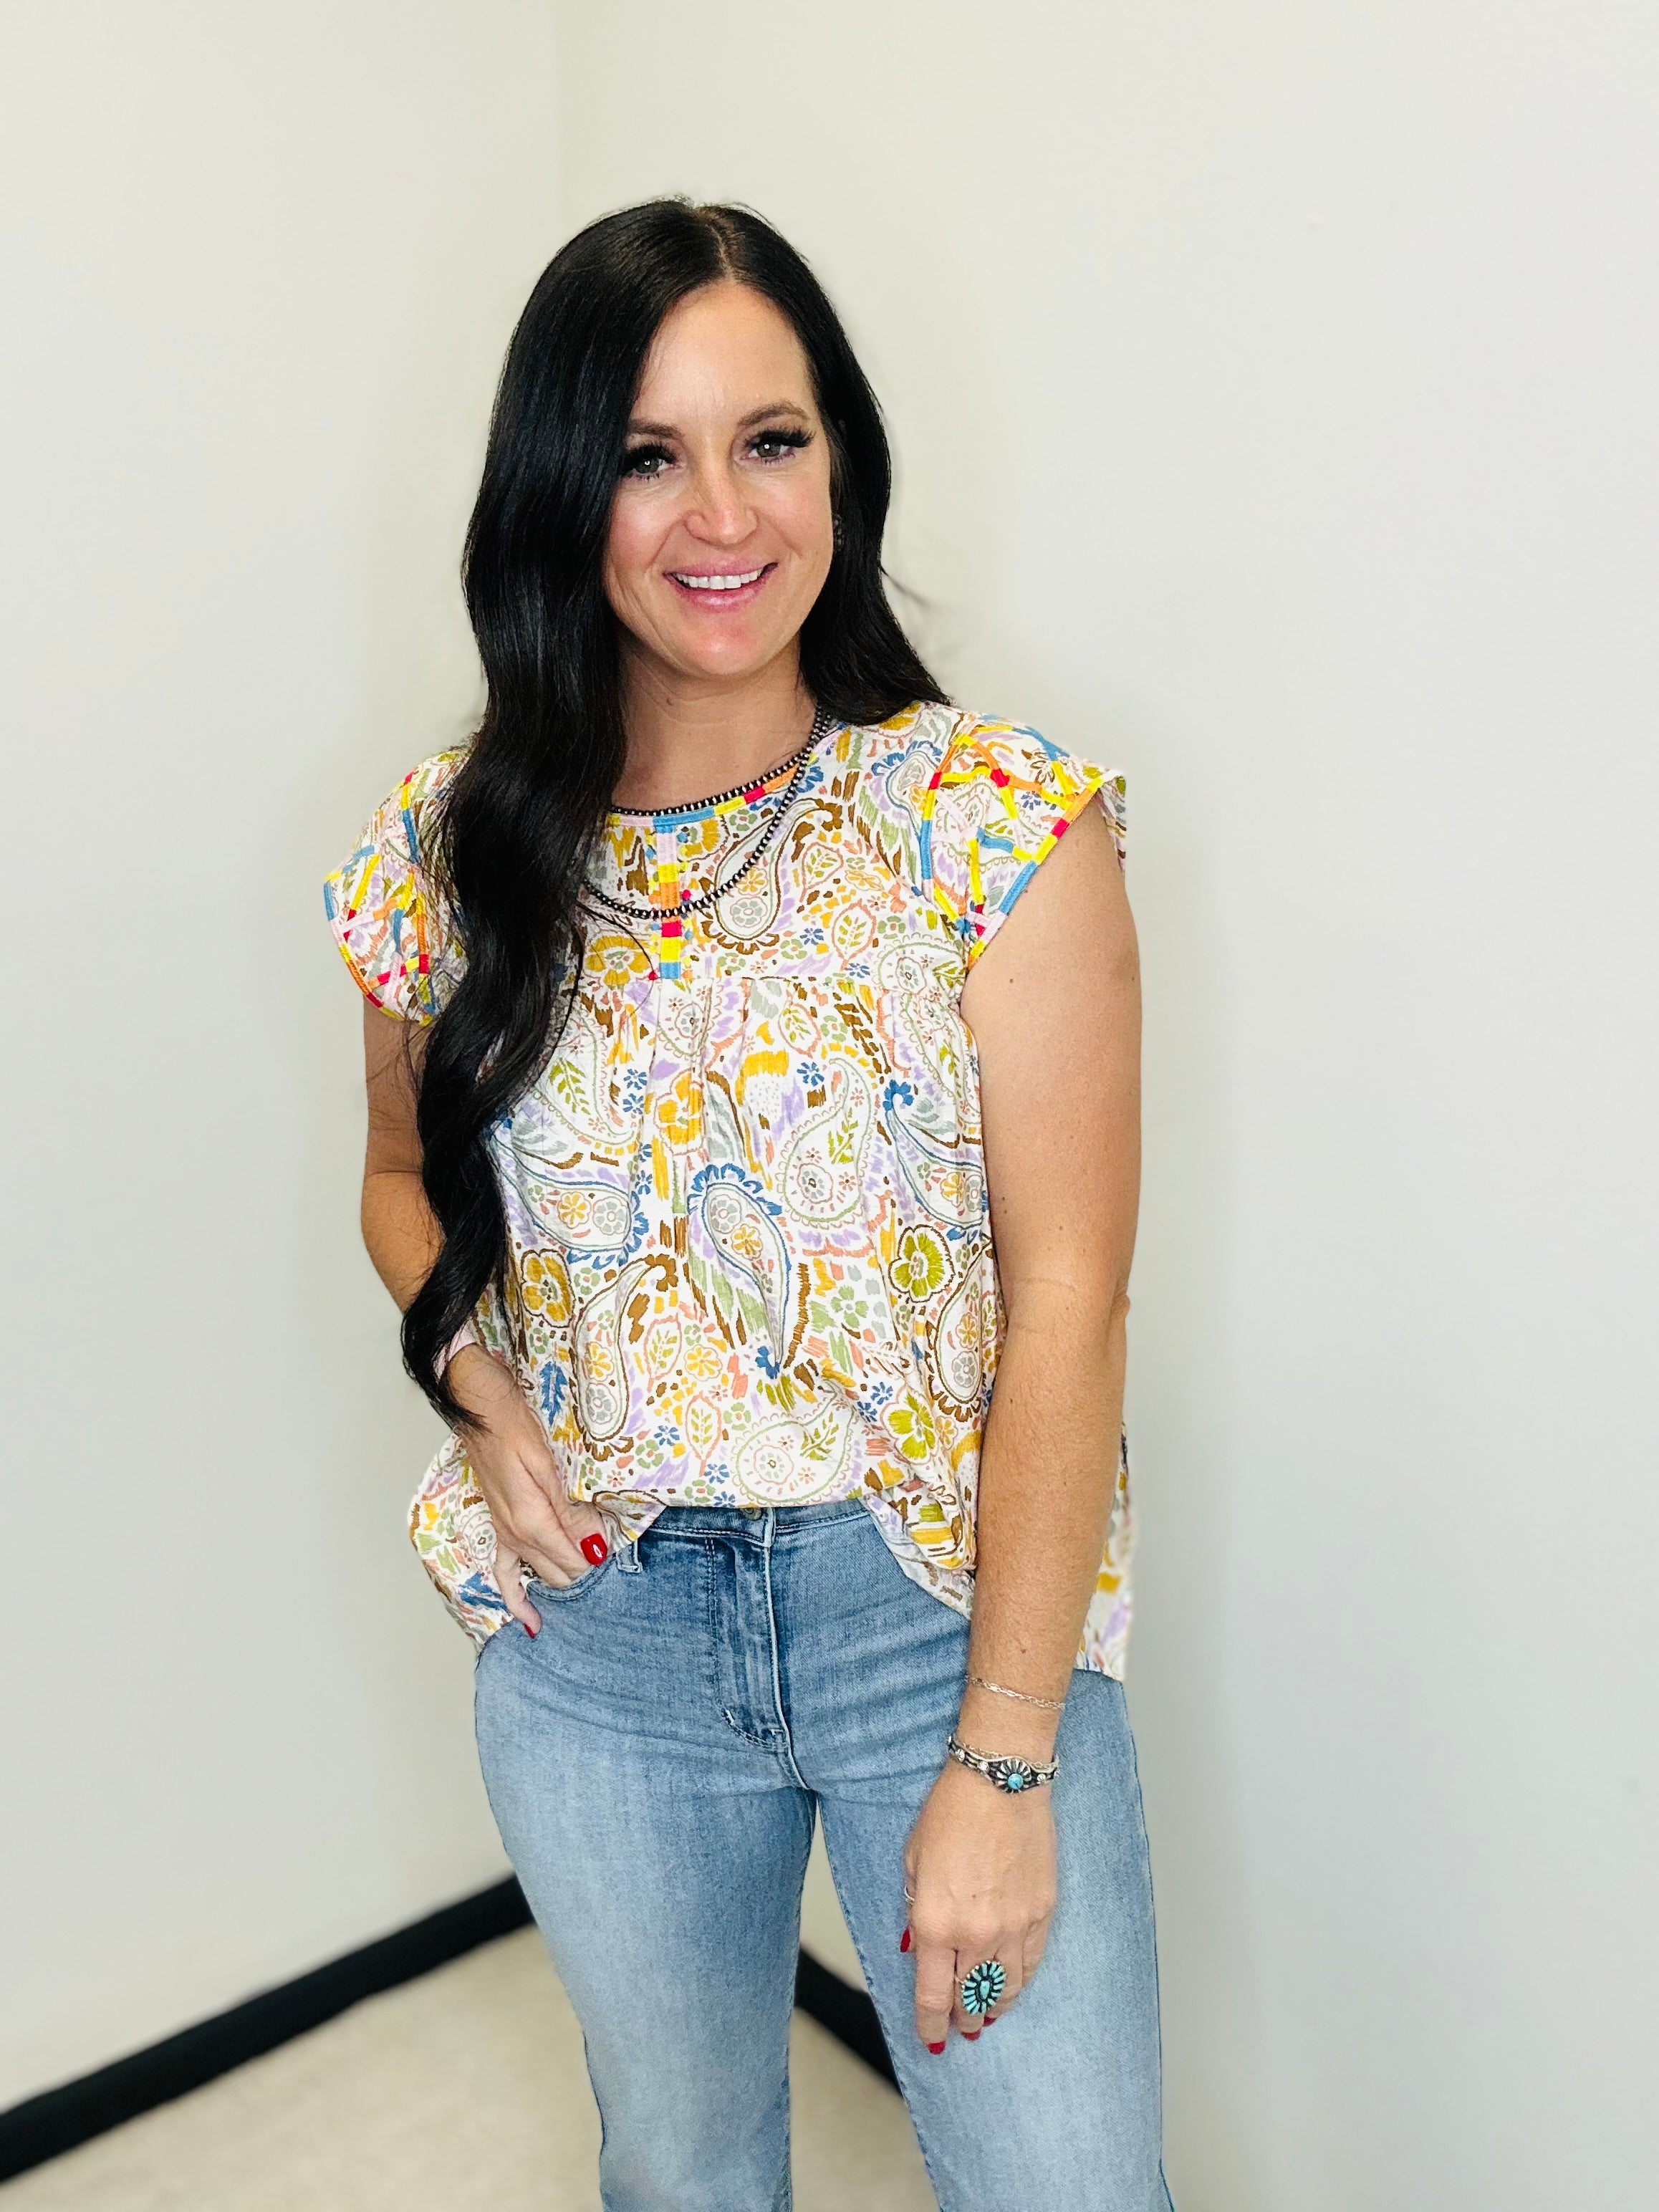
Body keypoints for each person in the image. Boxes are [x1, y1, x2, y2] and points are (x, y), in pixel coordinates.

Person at [324, 198, 1170, 2211]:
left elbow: (1068, 1305)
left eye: (769, 439)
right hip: (597, 1640)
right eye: (647, 453)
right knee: (685, 2176)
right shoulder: (451, 846)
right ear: (563, 491)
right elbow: (396, 1179)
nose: (722, 513)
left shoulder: (987, 823)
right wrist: (473, 1383)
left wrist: (1004, 1757)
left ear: (839, 462)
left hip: (935, 1619)